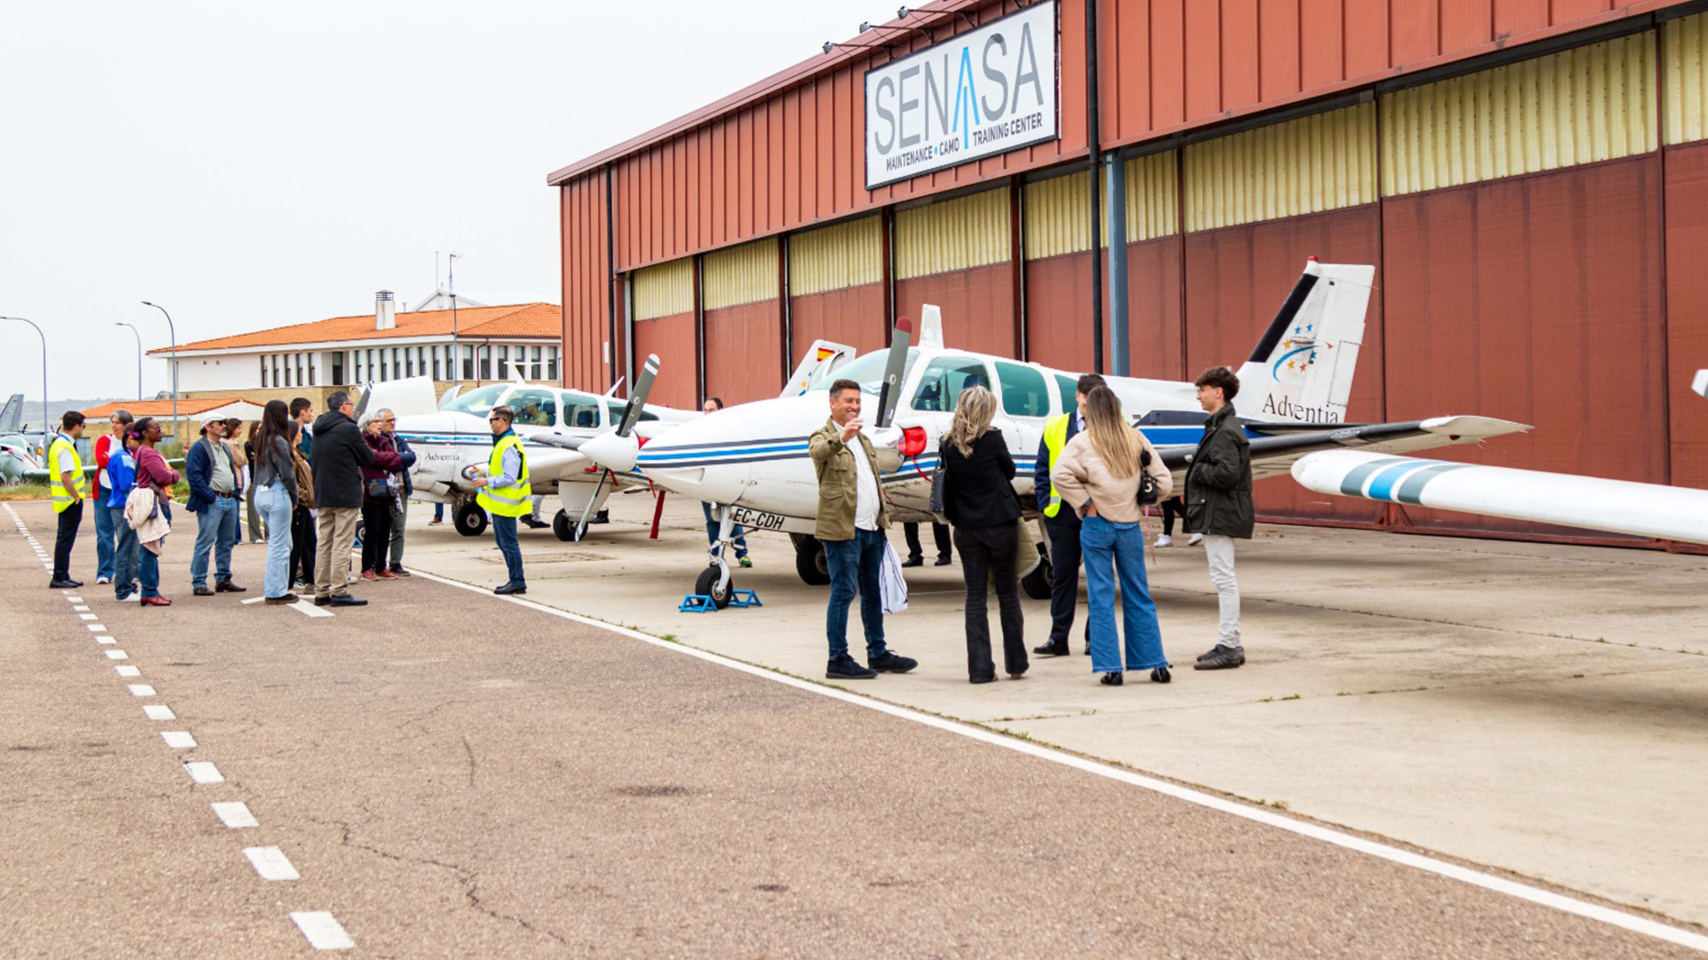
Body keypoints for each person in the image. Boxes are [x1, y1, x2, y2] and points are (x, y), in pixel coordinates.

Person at [1051, 386, 1173, 686]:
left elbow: (1058, 475)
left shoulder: (1082, 441)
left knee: (1101, 596)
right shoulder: (1135, 438)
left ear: (1089, 411)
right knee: (1138, 593)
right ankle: (1155, 663)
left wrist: (1086, 502)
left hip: (1097, 525)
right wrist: (1140, 499)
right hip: (1130, 524)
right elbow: (1165, 483)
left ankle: (1111, 668)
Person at [808, 379, 918, 680]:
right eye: (848, 401)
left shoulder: (864, 440)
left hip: (872, 530)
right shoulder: (823, 436)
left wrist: (883, 521)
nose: (855, 406)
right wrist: (841, 437)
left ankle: (877, 653)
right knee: (843, 592)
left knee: (873, 593)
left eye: (857, 401)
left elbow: (874, 482)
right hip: (843, 531)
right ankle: (837, 659)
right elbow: (818, 453)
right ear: (833, 404)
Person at [937, 386, 1026, 684]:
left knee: (974, 597)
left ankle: (979, 669)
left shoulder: (947, 444)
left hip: (966, 528)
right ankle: (1016, 661)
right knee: (1007, 593)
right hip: (1000, 523)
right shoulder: (993, 438)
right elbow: (1010, 471)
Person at [1185, 366, 1255, 671]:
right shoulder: (1220, 427)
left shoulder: (1225, 431)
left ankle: (1229, 645)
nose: (1199, 396)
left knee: (1224, 580)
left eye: (1202, 390)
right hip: (1218, 510)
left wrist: (1196, 467)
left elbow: (1226, 474)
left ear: (1218, 392)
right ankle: (1228, 642)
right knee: (1223, 578)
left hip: (1221, 512)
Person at [1032, 373, 1105, 656]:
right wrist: (1043, 504)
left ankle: (1094, 638)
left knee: (1099, 578)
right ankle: (1058, 638)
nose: (1091, 402)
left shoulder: (1114, 426)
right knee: (1063, 577)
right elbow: (1042, 468)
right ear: (1078, 395)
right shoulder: (1056, 426)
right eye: (1087, 396)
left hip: (1099, 514)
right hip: (1062, 514)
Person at [310, 391, 374, 607]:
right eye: (352, 404)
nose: (353, 408)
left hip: (323, 492)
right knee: (342, 542)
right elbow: (367, 457)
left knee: (324, 542)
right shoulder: (348, 428)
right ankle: (339, 590)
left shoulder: (318, 428)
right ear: (344, 406)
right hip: (344, 492)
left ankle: (321, 590)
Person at [469, 405, 530, 595]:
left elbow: (510, 477)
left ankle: (517, 581)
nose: (490, 424)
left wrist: (486, 480)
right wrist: (483, 472)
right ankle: (515, 580)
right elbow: (499, 470)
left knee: (509, 543)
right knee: (504, 542)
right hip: (500, 504)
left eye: (492, 420)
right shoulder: (502, 442)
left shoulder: (508, 444)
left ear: (501, 421)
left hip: (506, 503)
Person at [184, 414, 246, 596]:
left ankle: (223, 578)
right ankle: (199, 581)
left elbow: (230, 470)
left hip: (228, 498)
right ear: (208, 427)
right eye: (220, 423)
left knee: (226, 542)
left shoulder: (224, 447)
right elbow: (194, 475)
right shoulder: (199, 448)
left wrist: (235, 492)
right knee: (205, 541)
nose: (224, 426)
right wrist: (210, 496)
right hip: (214, 500)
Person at [249, 400, 298, 604]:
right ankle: (276, 591)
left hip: (261, 491)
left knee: (282, 542)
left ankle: (278, 587)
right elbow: (287, 472)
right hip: (277, 491)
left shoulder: (262, 438)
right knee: (280, 545)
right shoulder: (278, 440)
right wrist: (294, 496)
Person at [128, 417, 179, 607]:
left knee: (150, 547)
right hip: (154, 503)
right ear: (144, 434)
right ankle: (149, 590)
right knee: (151, 549)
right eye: (156, 428)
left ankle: (150, 590)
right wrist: (174, 474)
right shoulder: (148, 453)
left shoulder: (144, 451)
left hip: (151, 500)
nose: (161, 431)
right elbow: (163, 476)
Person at [698, 397, 753, 566]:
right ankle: (716, 555)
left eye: (711, 410)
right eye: (705, 410)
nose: (707, 413)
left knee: (732, 517)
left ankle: (742, 553)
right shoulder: (699, 432)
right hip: (707, 484)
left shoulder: (730, 430)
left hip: (727, 483)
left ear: (721, 410)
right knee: (712, 520)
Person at [359, 410, 406, 581]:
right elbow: (370, 458)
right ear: (367, 424)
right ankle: (367, 567)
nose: (379, 424)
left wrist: (381, 458)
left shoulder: (384, 441)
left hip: (387, 491)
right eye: (375, 421)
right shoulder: (362, 441)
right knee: (372, 530)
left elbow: (395, 459)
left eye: (380, 421)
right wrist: (382, 459)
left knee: (385, 529)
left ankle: (381, 565)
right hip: (370, 492)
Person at [91, 409, 133, 585]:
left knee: (127, 532)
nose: (114, 426)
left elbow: (136, 461)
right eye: (112, 422)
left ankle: (130, 569)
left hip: (125, 492)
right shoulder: (105, 440)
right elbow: (101, 460)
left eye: (117, 422)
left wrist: (114, 460)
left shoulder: (132, 443)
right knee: (104, 532)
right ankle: (105, 571)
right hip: (104, 490)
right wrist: (120, 461)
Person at [47, 411, 88, 589]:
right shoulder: (65, 447)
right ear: (76, 426)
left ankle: (63, 574)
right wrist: (76, 497)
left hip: (65, 500)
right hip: (70, 501)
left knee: (64, 538)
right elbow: (66, 477)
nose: (83, 430)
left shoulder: (60, 444)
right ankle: (60, 576)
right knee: (65, 539)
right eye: (83, 426)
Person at [380, 412, 417, 577]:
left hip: (400, 490)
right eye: (389, 421)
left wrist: (396, 460)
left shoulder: (399, 440)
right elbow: (382, 460)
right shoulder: (380, 440)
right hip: (385, 490)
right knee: (382, 528)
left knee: (399, 527)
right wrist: (398, 460)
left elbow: (411, 457)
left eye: (394, 420)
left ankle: (395, 562)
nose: (392, 424)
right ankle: (378, 564)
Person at [107, 428, 141, 601]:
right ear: (129, 438)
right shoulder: (123, 458)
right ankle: (123, 590)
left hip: (123, 506)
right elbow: (128, 484)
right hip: (123, 507)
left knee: (131, 548)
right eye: (138, 438)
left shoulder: (125, 456)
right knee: (127, 548)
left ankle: (128, 586)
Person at [287, 420, 316, 592]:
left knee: (309, 542)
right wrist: (303, 495)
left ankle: (311, 580)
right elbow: (290, 479)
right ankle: (289, 582)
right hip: (299, 504)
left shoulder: (297, 452)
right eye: (298, 432)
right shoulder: (290, 455)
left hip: (305, 504)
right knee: (296, 545)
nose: (301, 435)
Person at [241, 420, 265, 544]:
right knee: (253, 510)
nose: (260, 431)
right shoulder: (248, 444)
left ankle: (270, 534)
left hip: (266, 479)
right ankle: (255, 535)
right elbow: (255, 459)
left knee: (267, 508)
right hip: (253, 479)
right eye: (258, 428)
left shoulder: (267, 443)